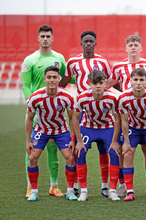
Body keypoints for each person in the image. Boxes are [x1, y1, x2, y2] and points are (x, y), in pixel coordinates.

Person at [105, 35, 146, 197]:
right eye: (130, 45)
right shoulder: (118, 67)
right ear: (126, 48)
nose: (133, 47)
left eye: (136, 44)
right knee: (127, 152)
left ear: (141, 47)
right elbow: (108, 85)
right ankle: (124, 185)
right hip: (129, 116)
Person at [60, 30, 113, 197]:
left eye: (91, 41)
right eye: (86, 41)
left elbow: (110, 81)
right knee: (78, 148)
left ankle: (105, 186)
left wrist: (127, 91)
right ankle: (75, 185)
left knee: (104, 150)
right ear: (81, 43)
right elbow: (63, 83)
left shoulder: (103, 61)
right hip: (82, 109)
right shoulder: (73, 62)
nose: (88, 43)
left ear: (95, 43)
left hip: (101, 109)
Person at [22, 24, 72, 198]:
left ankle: (54, 185)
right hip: (37, 110)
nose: (45, 39)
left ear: (52, 38)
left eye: (48, 36)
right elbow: (26, 85)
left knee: (53, 149)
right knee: (32, 151)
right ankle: (30, 187)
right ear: (38, 38)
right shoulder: (30, 60)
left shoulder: (59, 58)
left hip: (55, 113)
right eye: (42, 36)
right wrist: (33, 105)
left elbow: (64, 78)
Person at [25, 66, 77, 201]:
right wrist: (28, 141)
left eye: (55, 77)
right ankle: (34, 192)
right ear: (45, 79)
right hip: (41, 131)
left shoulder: (67, 96)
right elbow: (29, 119)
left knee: (70, 158)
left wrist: (72, 138)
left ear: (59, 79)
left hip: (61, 131)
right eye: (49, 77)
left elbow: (72, 118)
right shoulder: (36, 97)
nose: (52, 80)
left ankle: (70, 191)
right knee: (32, 159)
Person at [72, 70, 121, 201]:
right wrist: (79, 141)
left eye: (101, 83)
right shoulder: (82, 97)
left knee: (114, 153)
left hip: (107, 127)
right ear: (90, 83)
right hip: (88, 128)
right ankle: (83, 191)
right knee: (80, 153)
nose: (98, 86)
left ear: (105, 82)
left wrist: (115, 141)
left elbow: (118, 118)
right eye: (95, 83)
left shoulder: (112, 97)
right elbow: (75, 118)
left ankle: (111, 190)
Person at [118, 68, 146, 201]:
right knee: (128, 153)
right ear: (130, 81)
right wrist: (126, 142)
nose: (138, 83)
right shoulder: (123, 97)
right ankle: (129, 191)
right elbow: (123, 121)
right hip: (133, 128)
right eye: (135, 79)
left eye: (141, 80)